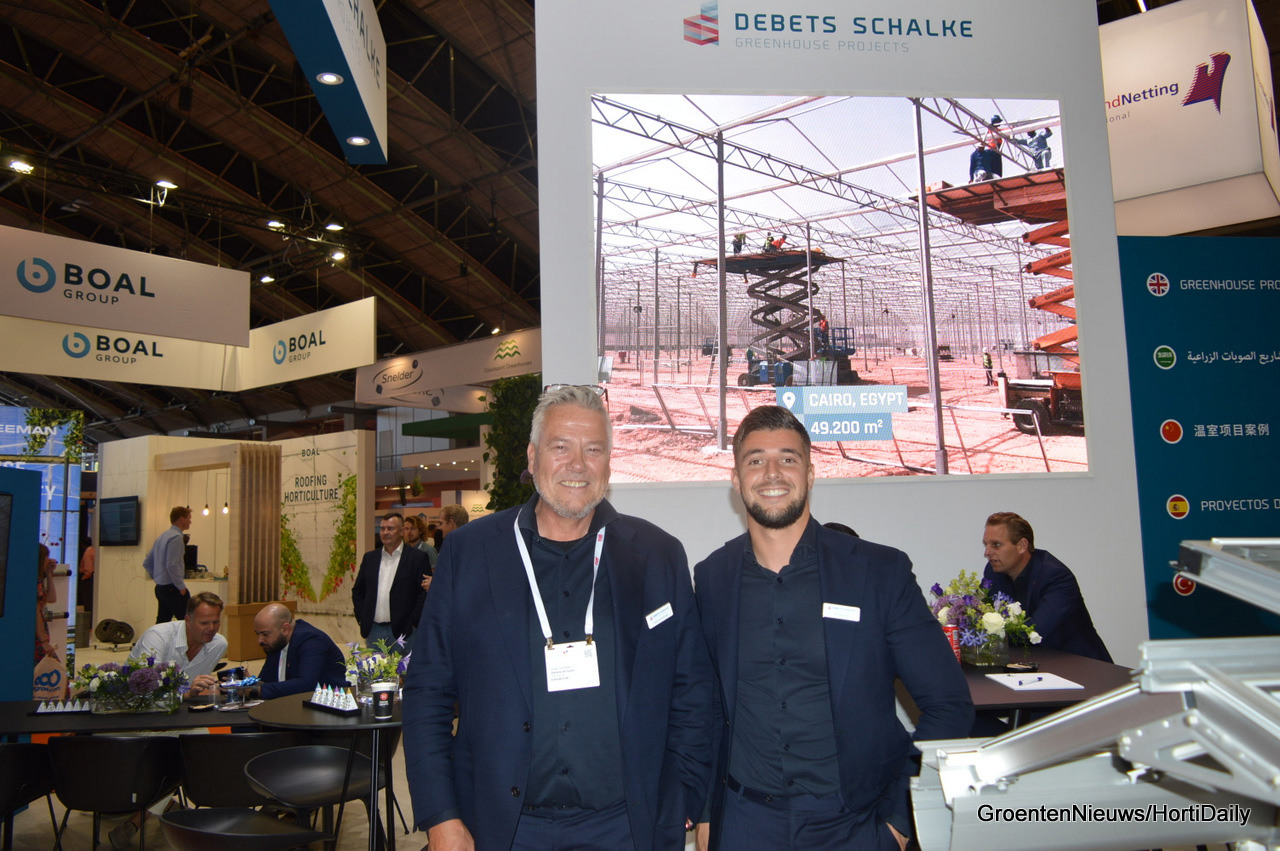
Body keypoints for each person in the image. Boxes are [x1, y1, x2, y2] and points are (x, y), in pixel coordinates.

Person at [402, 385, 713, 851]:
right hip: (500, 829)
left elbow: (693, 691)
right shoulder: (470, 553)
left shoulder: (657, 556)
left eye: (593, 449)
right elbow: (428, 691)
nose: (577, 464)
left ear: (609, 462)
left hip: (627, 828)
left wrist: (683, 798)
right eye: (561, 447)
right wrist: (441, 816)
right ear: (532, 457)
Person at [694, 405, 973, 851]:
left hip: (853, 824)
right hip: (745, 823)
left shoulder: (878, 573)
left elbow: (948, 705)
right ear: (736, 479)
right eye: (755, 460)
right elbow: (709, 706)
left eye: (788, 459)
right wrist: (708, 809)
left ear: (810, 474)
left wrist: (901, 819)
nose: (772, 473)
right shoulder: (712, 578)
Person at [981, 512, 1112, 662]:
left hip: (1081, 665)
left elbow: (1033, 633)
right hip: (1034, 663)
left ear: (1022, 546)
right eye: (986, 544)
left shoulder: (1056, 576)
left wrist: (988, 631)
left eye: (996, 545)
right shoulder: (993, 571)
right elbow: (981, 612)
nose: (987, 552)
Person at [352, 512, 430, 650]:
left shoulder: (417, 558)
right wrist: (362, 618)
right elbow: (358, 590)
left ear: (401, 531)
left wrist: (413, 622)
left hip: (405, 633)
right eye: (382, 529)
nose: (385, 533)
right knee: (375, 665)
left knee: (404, 665)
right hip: (374, 631)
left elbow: (424, 592)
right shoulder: (370, 558)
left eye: (390, 528)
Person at [129, 591, 228, 699]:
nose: (212, 628)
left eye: (216, 622)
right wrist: (185, 694)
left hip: (178, 704)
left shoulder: (218, 644)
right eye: (204, 623)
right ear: (188, 620)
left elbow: (194, 689)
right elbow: (145, 689)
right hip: (134, 703)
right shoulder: (157, 637)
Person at [253, 603, 348, 699]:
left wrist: (258, 690)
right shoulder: (276, 643)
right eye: (257, 634)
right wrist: (252, 683)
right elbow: (266, 680)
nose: (260, 640)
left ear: (285, 629)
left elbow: (305, 685)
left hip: (328, 702)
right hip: (292, 703)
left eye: (265, 634)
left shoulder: (312, 641)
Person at [144, 506, 192, 623]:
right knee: (188, 621)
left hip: (161, 587)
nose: (190, 521)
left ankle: (156, 636)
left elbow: (147, 562)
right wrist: (180, 586)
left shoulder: (162, 537)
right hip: (173, 588)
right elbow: (172, 565)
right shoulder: (176, 538)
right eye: (189, 518)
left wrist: (159, 577)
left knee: (162, 622)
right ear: (181, 519)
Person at [34, 543, 58, 665]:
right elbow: (36, 612)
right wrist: (44, 641)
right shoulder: (36, 582)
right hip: (38, 636)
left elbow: (51, 598)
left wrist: (49, 575)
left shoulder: (38, 580)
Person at [405, 515, 440, 593]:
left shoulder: (428, 550)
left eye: (413, 529)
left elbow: (435, 574)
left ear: (420, 531)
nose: (409, 532)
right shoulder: (404, 549)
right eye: (406, 529)